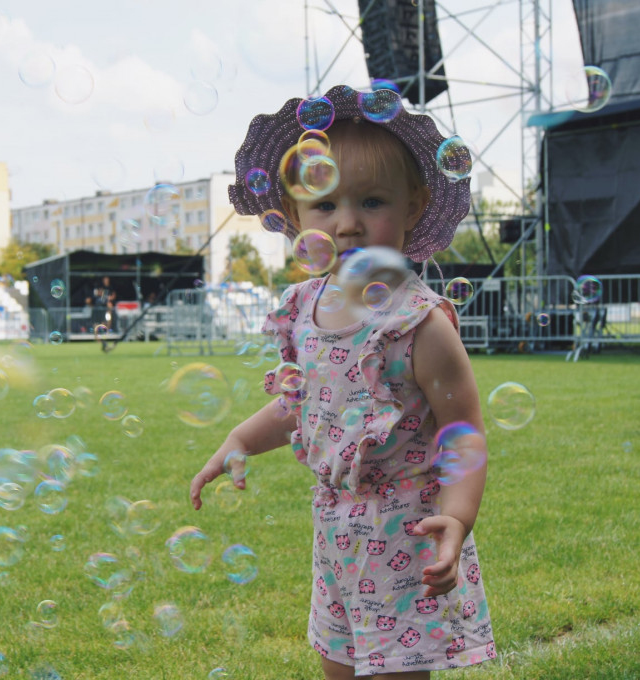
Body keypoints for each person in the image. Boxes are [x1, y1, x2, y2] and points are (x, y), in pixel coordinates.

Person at [189, 85, 495, 678]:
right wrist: (239, 439)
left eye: (372, 201)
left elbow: (464, 431)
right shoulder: (303, 307)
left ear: (413, 206)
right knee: (335, 665)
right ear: (297, 216)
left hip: (408, 535)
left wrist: (456, 519)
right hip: (336, 534)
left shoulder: (419, 324)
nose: (348, 224)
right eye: (325, 206)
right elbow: (304, 404)